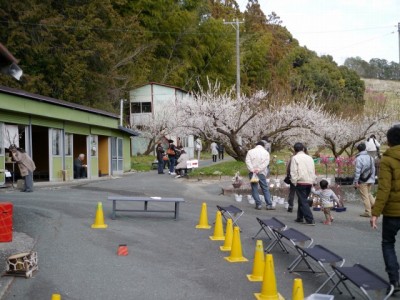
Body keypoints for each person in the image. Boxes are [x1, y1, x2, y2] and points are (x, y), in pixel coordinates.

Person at [371, 125, 400, 294]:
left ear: (389, 141)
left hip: (392, 213)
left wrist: (375, 213)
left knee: (388, 243)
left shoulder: (387, 160)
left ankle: (394, 280)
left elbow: (384, 189)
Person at [290, 142, 316, 225]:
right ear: (303, 149)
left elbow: (293, 171)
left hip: (300, 181)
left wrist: (294, 182)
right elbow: (313, 170)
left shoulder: (295, 158)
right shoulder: (310, 158)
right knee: (302, 200)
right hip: (309, 181)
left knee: (303, 201)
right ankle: (299, 217)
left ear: (295, 149)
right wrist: (313, 181)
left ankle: (309, 219)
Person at [245, 141, 275, 210]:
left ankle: (258, 204)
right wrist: (259, 169)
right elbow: (266, 163)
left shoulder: (250, 151)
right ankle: (269, 204)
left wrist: (252, 169)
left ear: (256, 145)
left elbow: (248, 161)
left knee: (254, 188)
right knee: (265, 187)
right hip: (261, 172)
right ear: (263, 145)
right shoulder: (266, 152)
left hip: (252, 173)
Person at [354, 142, 376, 217]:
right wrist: (372, 179)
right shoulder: (370, 157)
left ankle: (368, 212)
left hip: (363, 180)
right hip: (370, 179)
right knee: (369, 194)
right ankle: (375, 208)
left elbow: (357, 171)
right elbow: (373, 169)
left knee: (365, 196)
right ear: (365, 148)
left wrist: (356, 181)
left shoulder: (359, 158)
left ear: (358, 150)